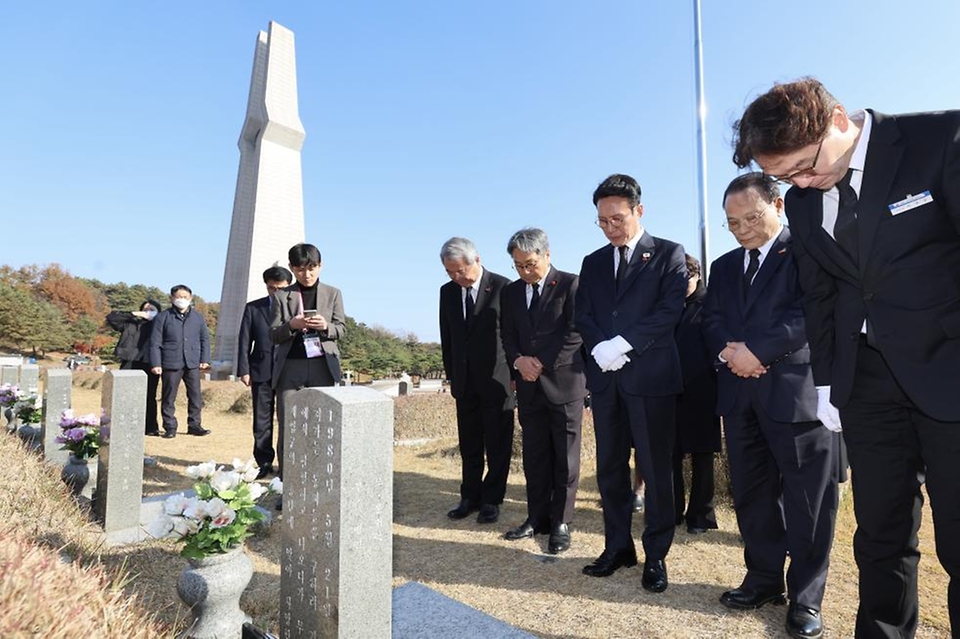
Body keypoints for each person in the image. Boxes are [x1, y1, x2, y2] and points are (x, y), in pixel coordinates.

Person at [732, 77, 960, 639]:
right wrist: (832, 383)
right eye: (786, 178)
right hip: (867, 387)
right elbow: (821, 293)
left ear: (837, 119)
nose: (802, 184)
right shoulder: (807, 203)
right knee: (880, 537)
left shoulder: (940, 139)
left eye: (804, 168)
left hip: (950, 375)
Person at [702, 173, 839, 639]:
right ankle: (762, 579)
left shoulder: (807, 249)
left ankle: (806, 598)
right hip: (740, 397)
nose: (742, 229)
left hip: (796, 395)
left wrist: (757, 351)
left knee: (808, 503)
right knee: (752, 495)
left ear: (777, 205)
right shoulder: (721, 267)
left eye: (751, 217)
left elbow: (810, 312)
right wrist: (730, 351)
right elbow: (710, 318)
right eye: (732, 222)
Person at [574, 173, 686, 593]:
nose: (609, 227)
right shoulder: (593, 262)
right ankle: (617, 546)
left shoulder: (669, 254)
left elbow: (668, 310)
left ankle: (656, 554)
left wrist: (622, 344)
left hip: (651, 378)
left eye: (616, 219)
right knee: (610, 469)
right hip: (607, 382)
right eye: (602, 221)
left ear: (638, 211)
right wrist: (600, 348)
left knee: (656, 472)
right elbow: (583, 313)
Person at [500, 228, 586, 554]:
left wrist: (541, 362)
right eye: (518, 265)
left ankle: (561, 522)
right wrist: (519, 361)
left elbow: (576, 331)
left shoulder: (571, 284)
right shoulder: (510, 293)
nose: (525, 271)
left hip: (564, 384)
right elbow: (506, 334)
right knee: (534, 456)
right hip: (528, 387)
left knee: (565, 457)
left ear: (547, 255)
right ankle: (536, 517)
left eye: (530, 264)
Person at [439, 237, 515, 525]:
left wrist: (514, 377)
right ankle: (469, 496)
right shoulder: (446, 293)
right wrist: (452, 375)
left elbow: (511, 335)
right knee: (469, 443)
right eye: (450, 272)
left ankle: (492, 500)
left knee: (497, 444)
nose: (456, 277)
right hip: (464, 382)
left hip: (498, 381)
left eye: (460, 271)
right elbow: (447, 337)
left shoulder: (503, 287)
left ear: (477, 260)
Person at [270, 243, 346, 488]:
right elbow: (272, 334)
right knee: (289, 427)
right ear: (292, 268)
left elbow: (342, 329)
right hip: (290, 367)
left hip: (323, 365)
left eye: (312, 268)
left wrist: (326, 326)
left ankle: (320, 482)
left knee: (323, 426)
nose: (307, 274)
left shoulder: (333, 293)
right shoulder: (282, 296)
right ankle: (288, 486)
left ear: (320, 266)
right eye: (301, 269)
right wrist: (292, 325)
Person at [672, 254, 721, 535]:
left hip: (703, 390)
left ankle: (701, 515)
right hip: (671, 390)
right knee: (670, 454)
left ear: (696, 275)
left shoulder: (711, 303)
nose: (681, 285)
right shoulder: (670, 305)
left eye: (685, 280)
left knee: (702, 456)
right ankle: (672, 510)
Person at [237, 265, 292, 479]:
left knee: (288, 418)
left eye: (281, 288)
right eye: (272, 288)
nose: (276, 292)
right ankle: (264, 461)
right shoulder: (253, 308)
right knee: (262, 419)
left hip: (288, 369)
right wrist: (244, 369)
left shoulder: (295, 307)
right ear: (267, 287)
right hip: (261, 369)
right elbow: (244, 341)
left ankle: (287, 463)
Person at [149, 285, 211, 438]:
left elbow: (205, 339)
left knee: (195, 395)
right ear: (171, 298)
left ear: (190, 299)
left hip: (192, 362)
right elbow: (155, 342)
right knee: (169, 396)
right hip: (170, 362)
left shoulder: (198, 317)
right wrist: (156, 363)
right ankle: (170, 426)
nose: (181, 300)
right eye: (178, 297)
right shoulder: (163, 317)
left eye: (185, 297)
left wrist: (205, 359)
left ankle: (194, 425)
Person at [105, 299, 162, 435]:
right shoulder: (131, 323)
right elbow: (112, 318)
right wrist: (135, 314)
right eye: (146, 309)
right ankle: (123, 424)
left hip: (150, 362)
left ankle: (151, 427)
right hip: (129, 361)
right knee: (124, 394)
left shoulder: (159, 325)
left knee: (149, 396)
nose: (148, 312)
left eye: (152, 310)